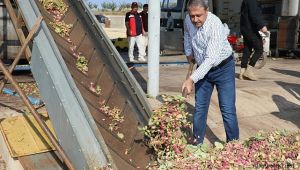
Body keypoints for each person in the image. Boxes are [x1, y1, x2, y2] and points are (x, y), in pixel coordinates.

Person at [182, 0, 239, 144]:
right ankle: (197, 142)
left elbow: (211, 59)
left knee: (227, 109)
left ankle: (233, 145)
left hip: (223, 68)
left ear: (207, 11)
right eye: (192, 16)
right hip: (202, 68)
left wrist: (191, 79)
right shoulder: (188, 21)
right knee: (200, 107)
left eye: (199, 16)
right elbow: (188, 35)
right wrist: (189, 52)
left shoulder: (215, 24)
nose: (195, 20)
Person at [239, 0, 268, 80]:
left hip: (245, 28)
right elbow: (254, 15)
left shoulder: (246, 1)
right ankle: (249, 71)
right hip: (250, 29)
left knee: (247, 49)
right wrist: (262, 26)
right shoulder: (252, 1)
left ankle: (242, 71)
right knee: (259, 49)